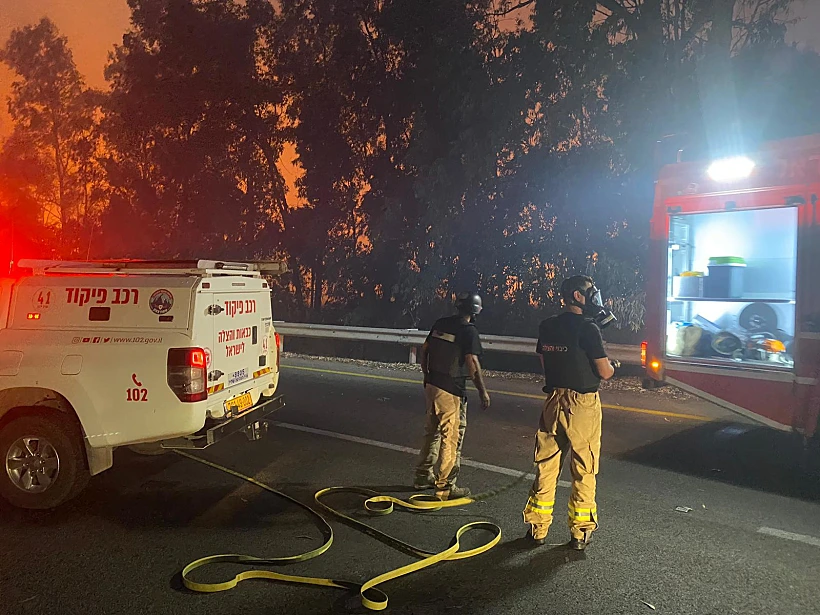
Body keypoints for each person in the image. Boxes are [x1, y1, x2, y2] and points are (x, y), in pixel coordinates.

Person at [523, 275, 617, 550]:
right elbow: (604, 372)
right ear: (578, 295)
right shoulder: (588, 328)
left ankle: (537, 529)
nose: (595, 297)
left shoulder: (547, 326)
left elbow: (545, 360)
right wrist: (614, 366)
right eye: (591, 292)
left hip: (553, 400)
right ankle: (580, 533)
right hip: (582, 404)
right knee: (584, 469)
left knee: (546, 466)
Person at [414, 292, 491, 500]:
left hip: (432, 384)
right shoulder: (469, 331)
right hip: (451, 390)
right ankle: (446, 486)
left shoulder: (441, 323)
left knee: (432, 432)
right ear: (476, 310)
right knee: (452, 438)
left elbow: (425, 350)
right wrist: (483, 392)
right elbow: (472, 363)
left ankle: (423, 475)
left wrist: (426, 376)